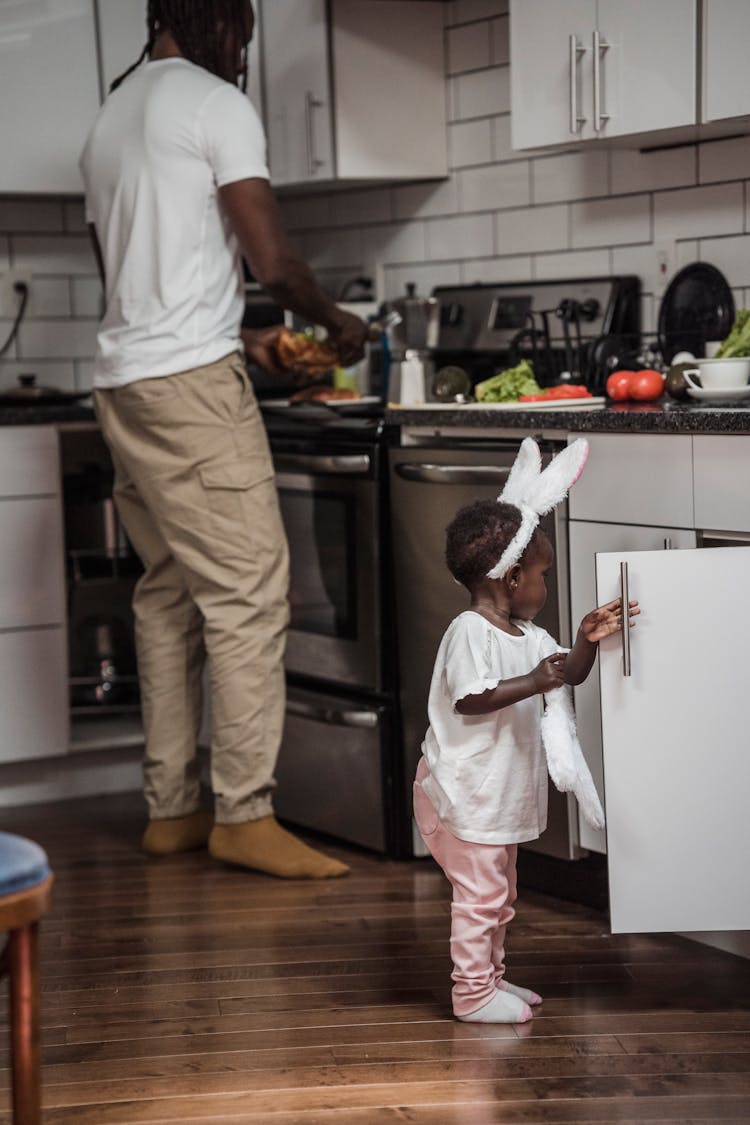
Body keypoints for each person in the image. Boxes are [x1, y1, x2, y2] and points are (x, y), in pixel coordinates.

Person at [79, 0, 369, 879]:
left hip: (124, 383)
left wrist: (231, 337)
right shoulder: (213, 103)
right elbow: (273, 265)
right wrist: (339, 324)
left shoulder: (110, 117)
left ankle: (173, 807)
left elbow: (136, 284)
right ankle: (245, 812)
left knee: (168, 590)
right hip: (192, 393)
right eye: (239, 30)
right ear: (208, 22)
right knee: (247, 591)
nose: (243, 48)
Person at [412, 439, 639, 1023]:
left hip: (495, 793)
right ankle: (471, 995)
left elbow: (566, 675)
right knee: (481, 898)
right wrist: (534, 682)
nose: (544, 587)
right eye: (541, 576)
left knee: (500, 897)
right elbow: (471, 699)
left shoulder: (528, 636)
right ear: (512, 578)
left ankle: (492, 982)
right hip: (463, 791)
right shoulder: (470, 631)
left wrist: (587, 638)